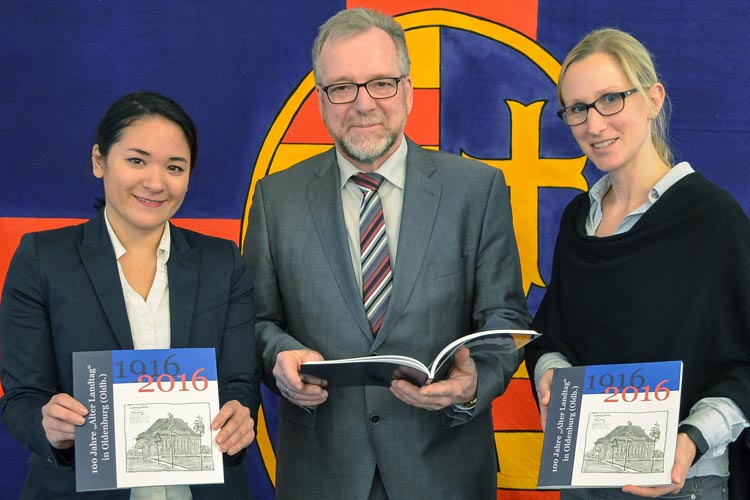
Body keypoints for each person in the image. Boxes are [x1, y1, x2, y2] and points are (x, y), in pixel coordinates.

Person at [243, 7, 530, 500]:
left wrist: (473, 382)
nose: (362, 103)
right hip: (321, 472)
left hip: (445, 470)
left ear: (408, 91)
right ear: (321, 101)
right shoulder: (276, 199)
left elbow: (503, 317)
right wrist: (280, 355)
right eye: (342, 87)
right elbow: (255, 321)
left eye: (381, 83)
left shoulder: (476, 190)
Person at [0, 91, 261, 499]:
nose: (155, 183)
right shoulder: (41, 259)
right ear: (99, 161)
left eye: (175, 167)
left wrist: (238, 419)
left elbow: (239, 382)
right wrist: (47, 425)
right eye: (136, 160)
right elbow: (21, 399)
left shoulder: (222, 262)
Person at [525, 28, 750, 499]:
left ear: (653, 99)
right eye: (578, 109)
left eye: (611, 99)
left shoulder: (713, 220)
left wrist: (690, 441)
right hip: (584, 478)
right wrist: (550, 374)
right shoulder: (577, 219)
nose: (594, 124)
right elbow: (554, 334)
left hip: (682, 481)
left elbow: (743, 363)